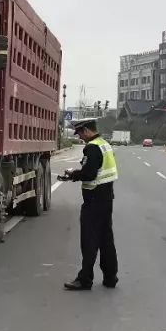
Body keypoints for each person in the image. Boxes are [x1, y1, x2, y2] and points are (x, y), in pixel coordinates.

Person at [58, 118, 119, 291]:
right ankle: (110, 277)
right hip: (107, 199)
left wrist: (72, 175)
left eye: (80, 134)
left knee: (89, 241)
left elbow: (89, 173)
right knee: (106, 239)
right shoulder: (105, 144)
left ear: (86, 130)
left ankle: (85, 279)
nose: (80, 138)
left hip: (93, 201)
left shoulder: (92, 148)